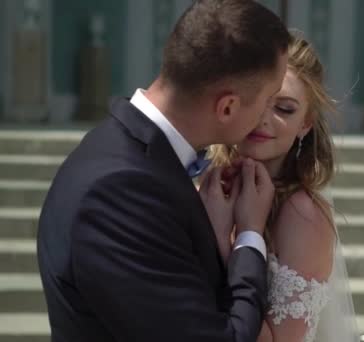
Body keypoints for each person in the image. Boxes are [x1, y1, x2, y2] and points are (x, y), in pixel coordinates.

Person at [36, 1, 290, 341]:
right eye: (267, 99)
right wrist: (249, 234)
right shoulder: (118, 193)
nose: (265, 116)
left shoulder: (125, 150)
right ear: (227, 106)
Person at [207, 33, 359, 342]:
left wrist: (220, 244)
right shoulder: (213, 189)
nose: (263, 119)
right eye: (256, 101)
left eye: (285, 109)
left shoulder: (302, 214)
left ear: (305, 123)